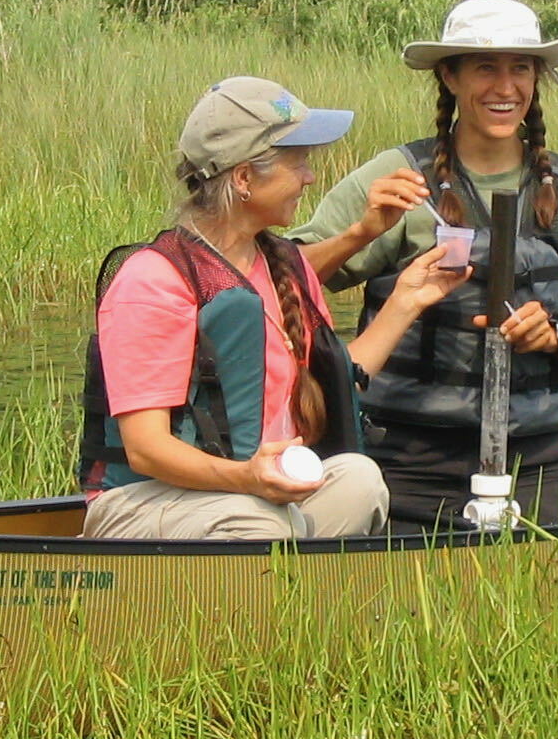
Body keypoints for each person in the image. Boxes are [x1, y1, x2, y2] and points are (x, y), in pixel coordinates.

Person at [292, 0, 558, 527]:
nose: (506, 88)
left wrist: (555, 337)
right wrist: (361, 232)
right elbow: (277, 285)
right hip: (407, 461)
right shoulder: (399, 175)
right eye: (486, 68)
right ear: (449, 76)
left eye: (520, 68)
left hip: (539, 462)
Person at [80, 77, 467, 541]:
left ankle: (307, 605)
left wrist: (409, 297)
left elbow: (343, 376)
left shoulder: (284, 265)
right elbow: (146, 451)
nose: (309, 176)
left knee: (359, 480)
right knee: (262, 521)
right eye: (297, 163)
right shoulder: (154, 280)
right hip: (144, 501)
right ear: (244, 178)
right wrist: (247, 480)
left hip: (250, 498)